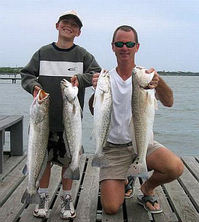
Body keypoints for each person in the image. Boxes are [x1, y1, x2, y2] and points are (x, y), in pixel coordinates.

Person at [91, 25, 184, 214]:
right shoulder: (107, 78)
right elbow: (95, 111)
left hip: (142, 144)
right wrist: (97, 92)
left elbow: (169, 102)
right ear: (113, 47)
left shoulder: (146, 78)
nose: (124, 47)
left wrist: (159, 82)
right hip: (113, 149)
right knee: (110, 208)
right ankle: (126, 178)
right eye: (120, 43)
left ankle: (147, 188)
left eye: (129, 43)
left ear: (137, 47)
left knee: (175, 167)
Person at [20, 10, 101, 219]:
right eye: (65, 22)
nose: (69, 26)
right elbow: (27, 75)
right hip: (43, 120)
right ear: (57, 26)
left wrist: (81, 79)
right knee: (43, 159)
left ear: (79, 32)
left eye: (74, 25)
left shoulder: (83, 55)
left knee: (68, 160)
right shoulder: (42, 52)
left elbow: (96, 74)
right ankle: (43, 196)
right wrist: (35, 86)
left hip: (70, 125)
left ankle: (66, 197)